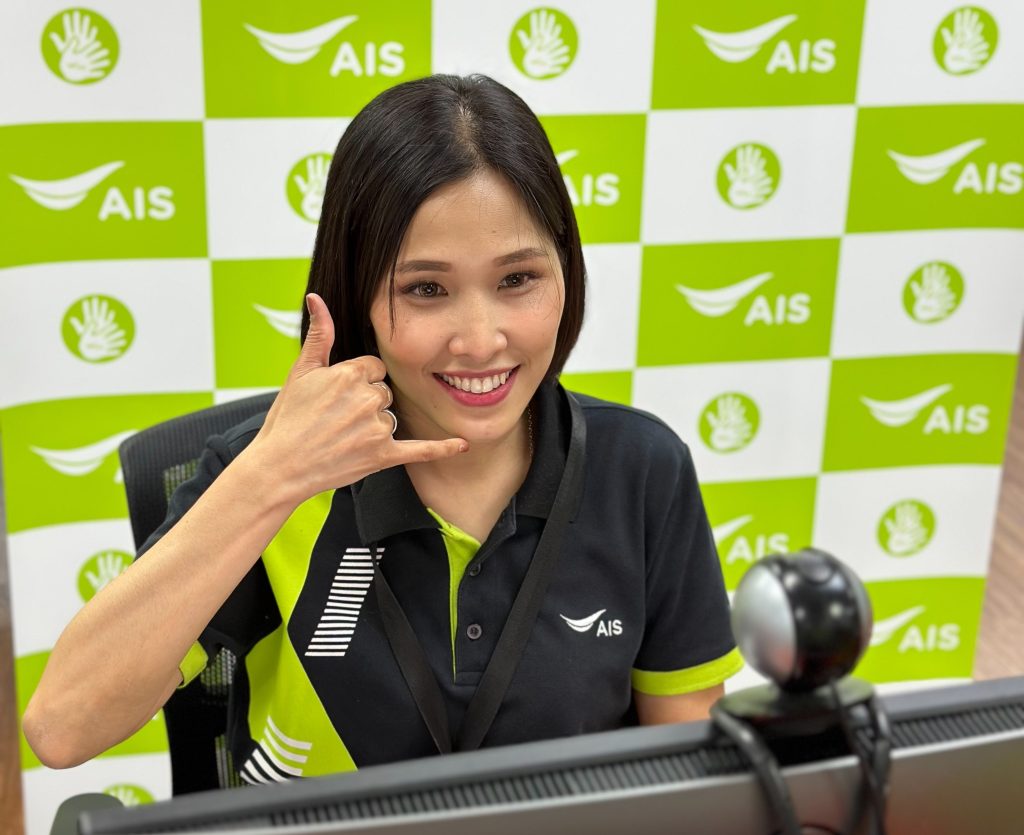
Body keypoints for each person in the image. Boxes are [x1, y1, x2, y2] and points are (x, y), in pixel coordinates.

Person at [23, 74, 742, 780]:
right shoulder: (271, 472)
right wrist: (272, 477)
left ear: (566, 273)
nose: (480, 340)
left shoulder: (641, 468)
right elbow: (61, 727)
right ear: (356, 295)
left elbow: (687, 775)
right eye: (425, 288)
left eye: (517, 279)